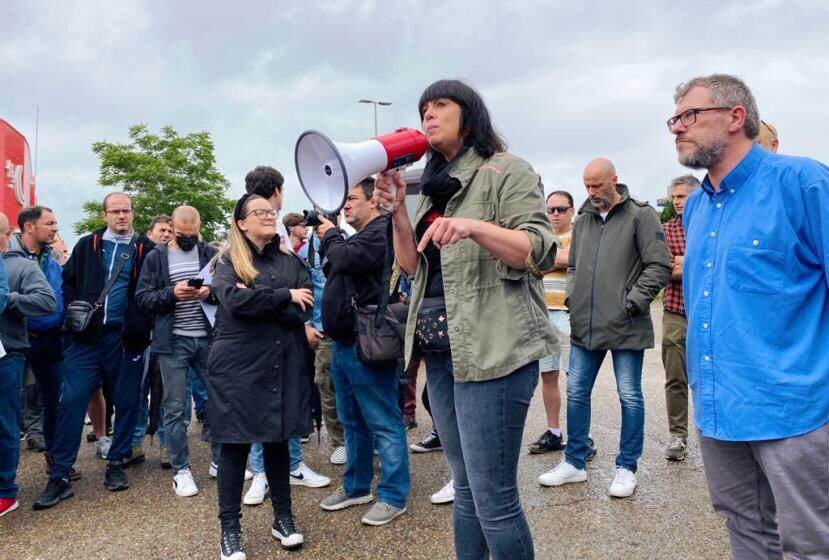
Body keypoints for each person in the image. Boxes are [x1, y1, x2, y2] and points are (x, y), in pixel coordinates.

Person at [375, 79, 558, 559]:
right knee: (466, 491)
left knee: (493, 498)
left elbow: (539, 249)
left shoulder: (507, 171)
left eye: (440, 105)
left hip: (493, 352)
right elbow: (414, 269)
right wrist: (397, 214)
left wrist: (475, 226)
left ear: (469, 116)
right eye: (423, 109)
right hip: (443, 351)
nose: (428, 115)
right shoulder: (432, 186)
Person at [669, 73, 829, 558]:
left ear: (736, 117)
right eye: (673, 119)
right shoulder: (695, 207)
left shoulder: (804, 182)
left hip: (794, 411)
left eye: (689, 116)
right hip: (719, 410)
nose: (677, 128)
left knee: (809, 542)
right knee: (746, 530)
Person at [538, 158, 671, 498]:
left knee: (629, 396)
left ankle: (627, 467)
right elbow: (574, 266)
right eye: (587, 186)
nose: (592, 192)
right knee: (577, 393)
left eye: (597, 185)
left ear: (614, 179)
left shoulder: (641, 215)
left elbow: (659, 265)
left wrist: (633, 302)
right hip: (585, 323)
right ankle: (574, 463)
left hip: (626, 323)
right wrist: (572, 298)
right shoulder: (583, 219)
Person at [34, 193, 154, 509]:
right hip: (86, 341)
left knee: (128, 402)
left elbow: (153, 289)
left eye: (126, 210)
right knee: (71, 401)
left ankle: (116, 463)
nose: (121, 216)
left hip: (126, 340)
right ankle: (59, 475)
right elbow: (68, 282)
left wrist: (140, 323)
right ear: (104, 215)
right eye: (115, 211)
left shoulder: (146, 248)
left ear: (133, 213)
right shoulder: (88, 245)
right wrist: (77, 310)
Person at [209, 193, 312, 556]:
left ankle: (282, 517)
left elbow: (304, 309)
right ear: (241, 222)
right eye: (260, 212)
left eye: (271, 211)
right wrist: (285, 295)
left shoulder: (290, 260)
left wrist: (261, 296)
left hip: (281, 361)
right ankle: (229, 529)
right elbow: (234, 303)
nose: (269, 216)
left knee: (278, 442)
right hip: (237, 365)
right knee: (235, 446)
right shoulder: (226, 261)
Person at [317, 178, 410, 527]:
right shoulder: (358, 236)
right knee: (352, 422)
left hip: (365, 342)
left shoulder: (381, 231)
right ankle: (356, 487)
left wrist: (329, 234)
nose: (346, 206)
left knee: (384, 422)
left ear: (374, 202)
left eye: (353, 198)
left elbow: (343, 258)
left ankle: (393, 495)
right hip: (343, 343)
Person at [243, 165, 330, 489]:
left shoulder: (256, 225)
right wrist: (299, 314)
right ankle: (264, 471)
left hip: (279, 327)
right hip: (269, 330)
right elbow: (275, 286)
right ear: (277, 191)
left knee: (284, 399)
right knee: (268, 401)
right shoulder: (266, 228)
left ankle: (284, 466)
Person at [136, 206, 222, 497]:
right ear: (171, 228)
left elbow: (226, 290)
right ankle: (181, 470)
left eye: (193, 234)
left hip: (207, 339)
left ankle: (219, 461)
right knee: (175, 408)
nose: (188, 239)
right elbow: (143, 298)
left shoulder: (210, 253)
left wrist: (208, 293)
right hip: (172, 341)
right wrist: (171, 294)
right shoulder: (156, 257)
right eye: (183, 235)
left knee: (219, 401)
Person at [1, 211, 54, 517]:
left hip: (8, 353)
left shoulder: (20, 266)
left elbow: (47, 302)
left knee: (5, 422)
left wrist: (8, 298)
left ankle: (6, 491)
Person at [12, 207, 64, 459]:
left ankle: (54, 461)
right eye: (50, 223)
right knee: (9, 404)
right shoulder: (7, 258)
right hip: (15, 342)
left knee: (53, 402)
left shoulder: (52, 259)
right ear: (30, 227)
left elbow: (57, 298)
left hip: (50, 342)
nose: (55, 228)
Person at [527, 190, 576, 455]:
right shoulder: (541, 236)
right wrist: (550, 261)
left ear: (572, 210)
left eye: (561, 209)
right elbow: (526, 263)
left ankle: (582, 435)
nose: (554, 214)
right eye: (550, 209)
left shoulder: (580, 234)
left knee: (575, 378)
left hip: (568, 313)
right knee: (548, 376)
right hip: (541, 312)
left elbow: (572, 259)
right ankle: (554, 431)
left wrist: (541, 261)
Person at [661, 175, 700, 461]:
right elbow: (664, 269)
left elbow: (722, 264)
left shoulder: (711, 226)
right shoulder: (664, 230)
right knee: (675, 377)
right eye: (674, 197)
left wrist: (682, 261)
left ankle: (720, 437)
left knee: (717, 375)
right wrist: (697, 262)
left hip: (711, 312)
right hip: (675, 310)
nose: (677, 202)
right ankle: (678, 436)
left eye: (682, 196)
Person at [133, 214, 174, 468]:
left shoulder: (177, 257)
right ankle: (135, 441)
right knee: (137, 390)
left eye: (171, 229)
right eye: (162, 229)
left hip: (167, 333)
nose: (167, 233)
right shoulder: (140, 256)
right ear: (150, 233)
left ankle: (166, 443)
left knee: (168, 392)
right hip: (140, 333)